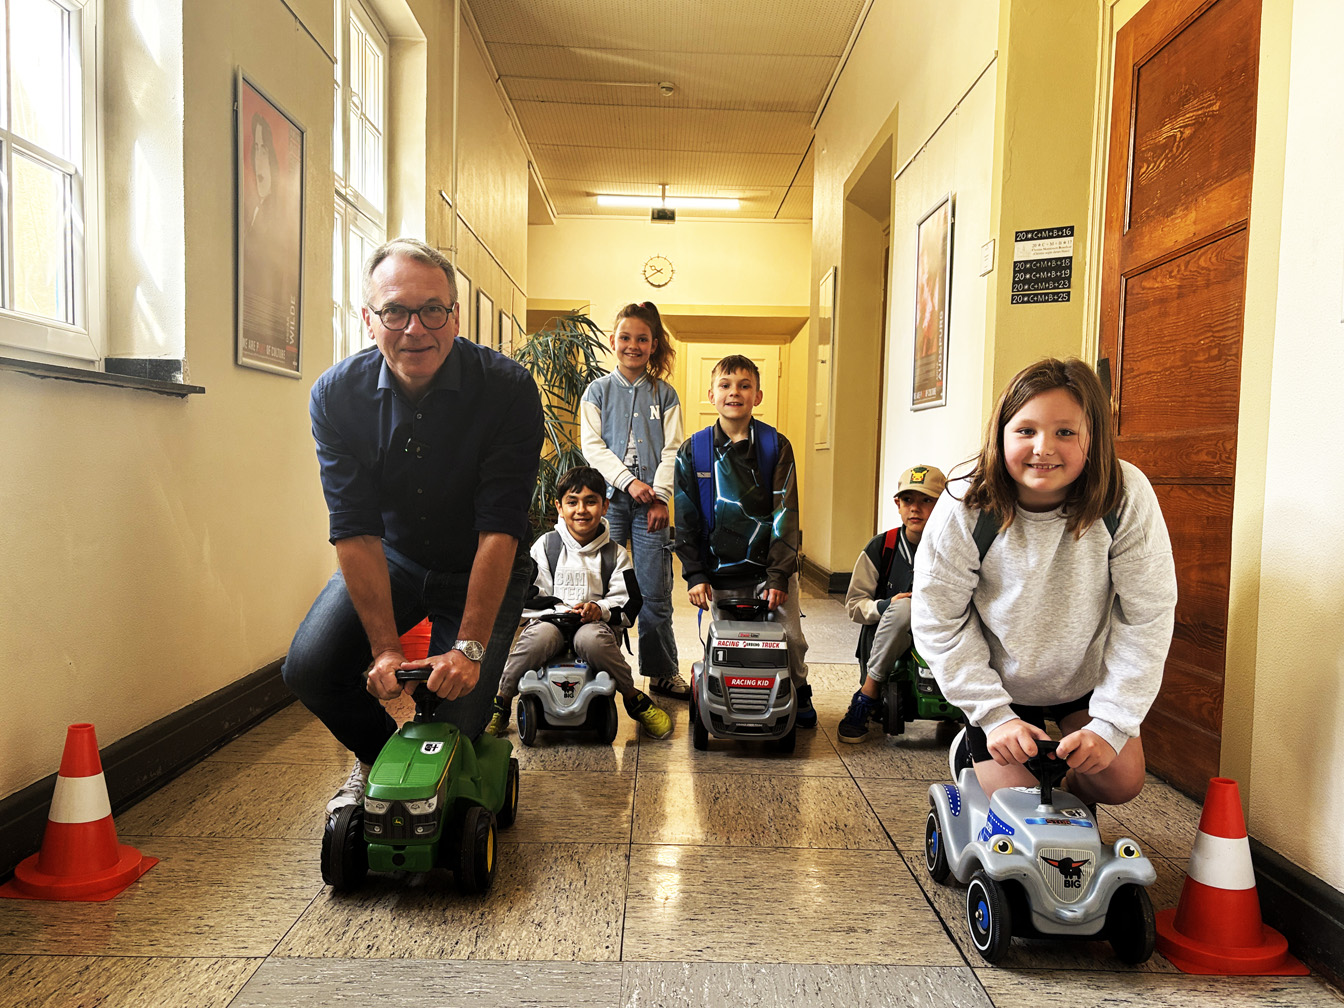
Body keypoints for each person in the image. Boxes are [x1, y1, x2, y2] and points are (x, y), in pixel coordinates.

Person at [283, 237, 544, 820]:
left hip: (478, 561)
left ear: (455, 315)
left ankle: (452, 759)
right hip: (395, 559)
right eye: (395, 311)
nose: (415, 329)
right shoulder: (336, 395)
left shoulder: (506, 389)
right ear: (368, 318)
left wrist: (469, 648)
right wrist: (382, 648)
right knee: (311, 668)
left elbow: (499, 529)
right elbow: (353, 529)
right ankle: (381, 763)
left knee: (455, 716)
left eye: (433, 309)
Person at [911, 357, 1177, 807]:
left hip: (1081, 678)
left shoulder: (1125, 494)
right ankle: (972, 749)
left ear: (1093, 437)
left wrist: (1109, 726)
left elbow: (1146, 616)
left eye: (1065, 432)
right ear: (1001, 433)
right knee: (1019, 800)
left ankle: (1060, 787)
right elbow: (939, 619)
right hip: (999, 684)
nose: (1043, 447)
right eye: (1026, 430)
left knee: (1121, 782)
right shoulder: (966, 499)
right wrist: (993, 717)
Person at [673, 354, 815, 728]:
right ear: (711, 394)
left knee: (790, 639)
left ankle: (798, 689)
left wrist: (778, 576)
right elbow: (685, 516)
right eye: (725, 385)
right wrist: (694, 573)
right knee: (727, 642)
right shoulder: (695, 450)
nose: (734, 392)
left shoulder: (774, 446)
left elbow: (786, 512)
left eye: (744, 385)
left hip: (769, 570)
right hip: (718, 574)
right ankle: (726, 695)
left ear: (758, 395)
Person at [484, 467, 672, 740]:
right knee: (535, 640)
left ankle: (633, 699)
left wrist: (600, 609)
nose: (581, 510)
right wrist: (561, 611)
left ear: (605, 505)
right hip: (551, 623)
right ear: (559, 507)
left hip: (593, 627)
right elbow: (531, 594)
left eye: (591, 501)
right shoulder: (546, 547)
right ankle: (501, 701)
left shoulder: (615, 554)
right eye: (572, 502)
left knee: (592, 640)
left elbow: (629, 601)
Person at [579, 302, 687, 699]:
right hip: (608, 503)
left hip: (652, 508)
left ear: (653, 344)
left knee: (654, 590)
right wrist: (627, 483)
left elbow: (673, 450)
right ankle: (592, 668)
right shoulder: (597, 391)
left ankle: (661, 672)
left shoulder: (666, 394)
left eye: (642, 339)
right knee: (599, 586)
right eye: (625, 337)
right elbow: (592, 446)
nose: (633, 345)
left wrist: (657, 497)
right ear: (613, 341)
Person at [837, 464, 947, 743]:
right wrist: (884, 606)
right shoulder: (881, 547)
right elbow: (854, 606)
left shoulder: (955, 547)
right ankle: (868, 693)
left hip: (941, 634)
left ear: (943, 504)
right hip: (888, 638)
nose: (915, 509)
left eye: (927, 500)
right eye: (908, 500)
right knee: (904, 607)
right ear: (897, 504)